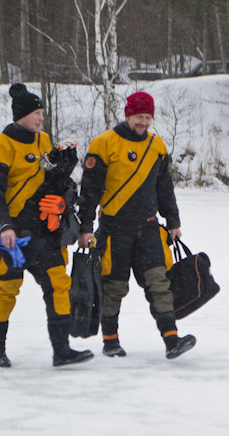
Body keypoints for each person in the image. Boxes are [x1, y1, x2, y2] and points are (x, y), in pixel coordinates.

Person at [77, 91, 196, 360]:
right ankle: (110, 341)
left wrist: (173, 221)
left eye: (147, 117)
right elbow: (90, 191)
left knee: (159, 283)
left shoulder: (157, 146)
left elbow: (165, 188)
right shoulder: (104, 144)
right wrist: (85, 228)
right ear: (127, 115)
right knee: (114, 287)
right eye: (138, 117)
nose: (143, 122)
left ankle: (171, 340)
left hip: (149, 229)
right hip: (114, 230)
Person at [0, 83, 93, 368]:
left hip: (45, 232)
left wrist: (63, 172)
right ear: (22, 115)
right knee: (7, 289)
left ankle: (62, 351)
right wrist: (4, 225)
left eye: (43, 113)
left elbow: (47, 181)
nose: (41, 118)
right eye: (37, 113)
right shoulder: (0, 146)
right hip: (15, 235)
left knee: (59, 285)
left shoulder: (43, 140)